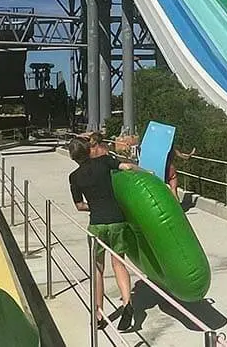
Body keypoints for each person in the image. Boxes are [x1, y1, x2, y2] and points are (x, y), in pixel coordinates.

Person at [68, 137, 142, 332]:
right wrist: (146, 173)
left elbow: (79, 206)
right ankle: (127, 303)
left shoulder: (74, 177)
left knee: (98, 268)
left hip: (97, 225)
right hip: (117, 220)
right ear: (89, 150)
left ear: (73, 157)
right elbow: (126, 167)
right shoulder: (104, 161)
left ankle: (99, 313)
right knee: (118, 263)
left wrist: (94, 206)